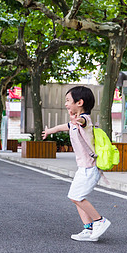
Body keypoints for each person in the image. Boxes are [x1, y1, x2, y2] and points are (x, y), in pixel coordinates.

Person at [42, 86, 111, 242]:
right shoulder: (74, 122)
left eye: (68, 100)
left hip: (90, 168)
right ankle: (88, 229)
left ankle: (99, 220)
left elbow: (81, 121)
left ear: (79, 102)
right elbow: (63, 127)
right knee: (76, 197)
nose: (66, 104)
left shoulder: (85, 119)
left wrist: (76, 119)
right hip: (83, 168)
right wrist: (49, 131)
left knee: (76, 197)